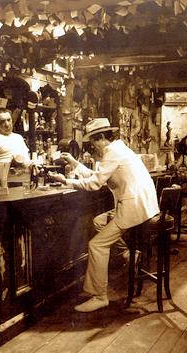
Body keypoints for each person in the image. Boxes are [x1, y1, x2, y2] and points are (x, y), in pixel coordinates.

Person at [49, 117, 159, 312]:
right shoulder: (119, 149)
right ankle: (127, 254)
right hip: (141, 204)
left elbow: (94, 183)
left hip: (134, 206)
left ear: (100, 138)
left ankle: (100, 296)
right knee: (99, 221)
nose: (93, 146)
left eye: (93, 142)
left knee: (96, 245)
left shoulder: (113, 152)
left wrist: (66, 181)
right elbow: (98, 176)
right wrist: (74, 163)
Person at [0, 108, 33, 188]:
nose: (7, 124)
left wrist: (33, 165)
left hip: (26, 182)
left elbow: (27, 160)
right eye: (2, 121)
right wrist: (10, 164)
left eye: (9, 120)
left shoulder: (18, 137)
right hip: (6, 185)